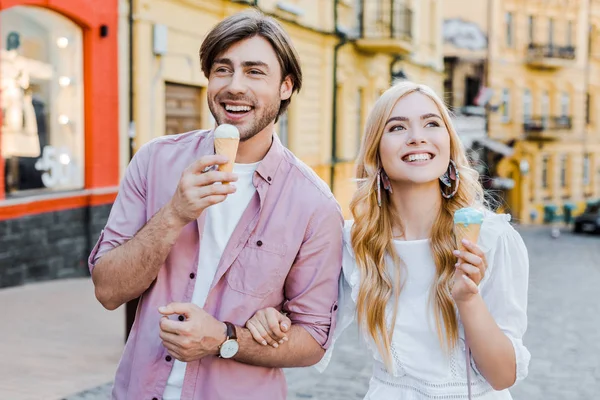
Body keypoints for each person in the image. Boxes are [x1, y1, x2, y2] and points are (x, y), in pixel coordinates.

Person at [88, 10, 343, 400]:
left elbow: (313, 341)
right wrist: (174, 214)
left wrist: (223, 338)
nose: (234, 86)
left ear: (286, 87)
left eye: (255, 72)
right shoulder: (155, 161)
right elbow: (107, 290)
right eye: (223, 69)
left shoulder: (313, 204)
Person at [246, 81, 531, 399]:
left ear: (449, 143)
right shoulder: (354, 243)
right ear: (376, 151)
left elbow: (503, 375)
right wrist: (271, 318)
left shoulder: (491, 238)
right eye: (397, 127)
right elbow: (310, 327)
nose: (417, 137)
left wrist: (468, 299)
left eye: (431, 123)